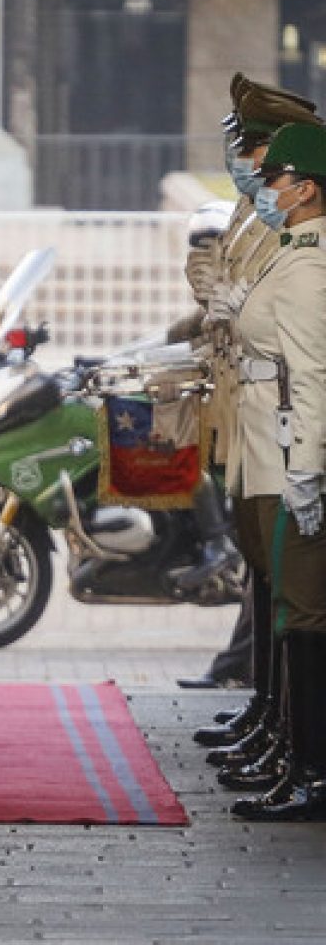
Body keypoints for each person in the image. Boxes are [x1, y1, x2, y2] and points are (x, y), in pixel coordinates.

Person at [220, 122, 326, 821]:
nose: (267, 188)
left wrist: (308, 470)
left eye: (277, 178)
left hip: (291, 453)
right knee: (291, 608)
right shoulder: (290, 254)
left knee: (304, 612)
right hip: (269, 444)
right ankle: (297, 754)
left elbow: (313, 375)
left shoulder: (311, 262)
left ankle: (312, 773)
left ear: (306, 187)